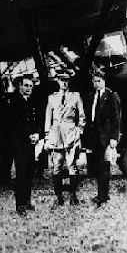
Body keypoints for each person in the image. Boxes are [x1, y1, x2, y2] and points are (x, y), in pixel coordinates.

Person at [5, 74, 44, 215]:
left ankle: (27, 201)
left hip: (31, 142)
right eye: (26, 85)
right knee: (21, 173)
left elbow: (37, 119)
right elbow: (14, 124)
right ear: (19, 86)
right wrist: (28, 135)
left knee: (29, 172)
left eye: (31, 86)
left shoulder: (33, 101)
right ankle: (20, 204)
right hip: (19, 143)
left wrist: (38, 134)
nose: (29, 88)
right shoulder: (13, 101)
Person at [44, 72, 85, 205]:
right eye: (62, 80)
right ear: (57, 81)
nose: (64, 83)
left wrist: (79, 130)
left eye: (67, 80)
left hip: (71, 134)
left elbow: (82, 116)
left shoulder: (76, 96)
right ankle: (59, 197)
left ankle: (73, 195)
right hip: (56, 136)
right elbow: (47, 118)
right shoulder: (52, 98)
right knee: (57, 166)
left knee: (72, 165)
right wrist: (47, 135)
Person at [85, 68, 121, 206]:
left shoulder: (111, 96)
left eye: (99, 81)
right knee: (96, 167)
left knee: (104, 167)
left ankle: (104, 196)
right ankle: (100, 194)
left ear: (104, 81)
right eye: (94, 81)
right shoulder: (91, 96)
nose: (96, 84)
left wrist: (113, 137)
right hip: (94, 137)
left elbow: (116, 119)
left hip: (105, 137)